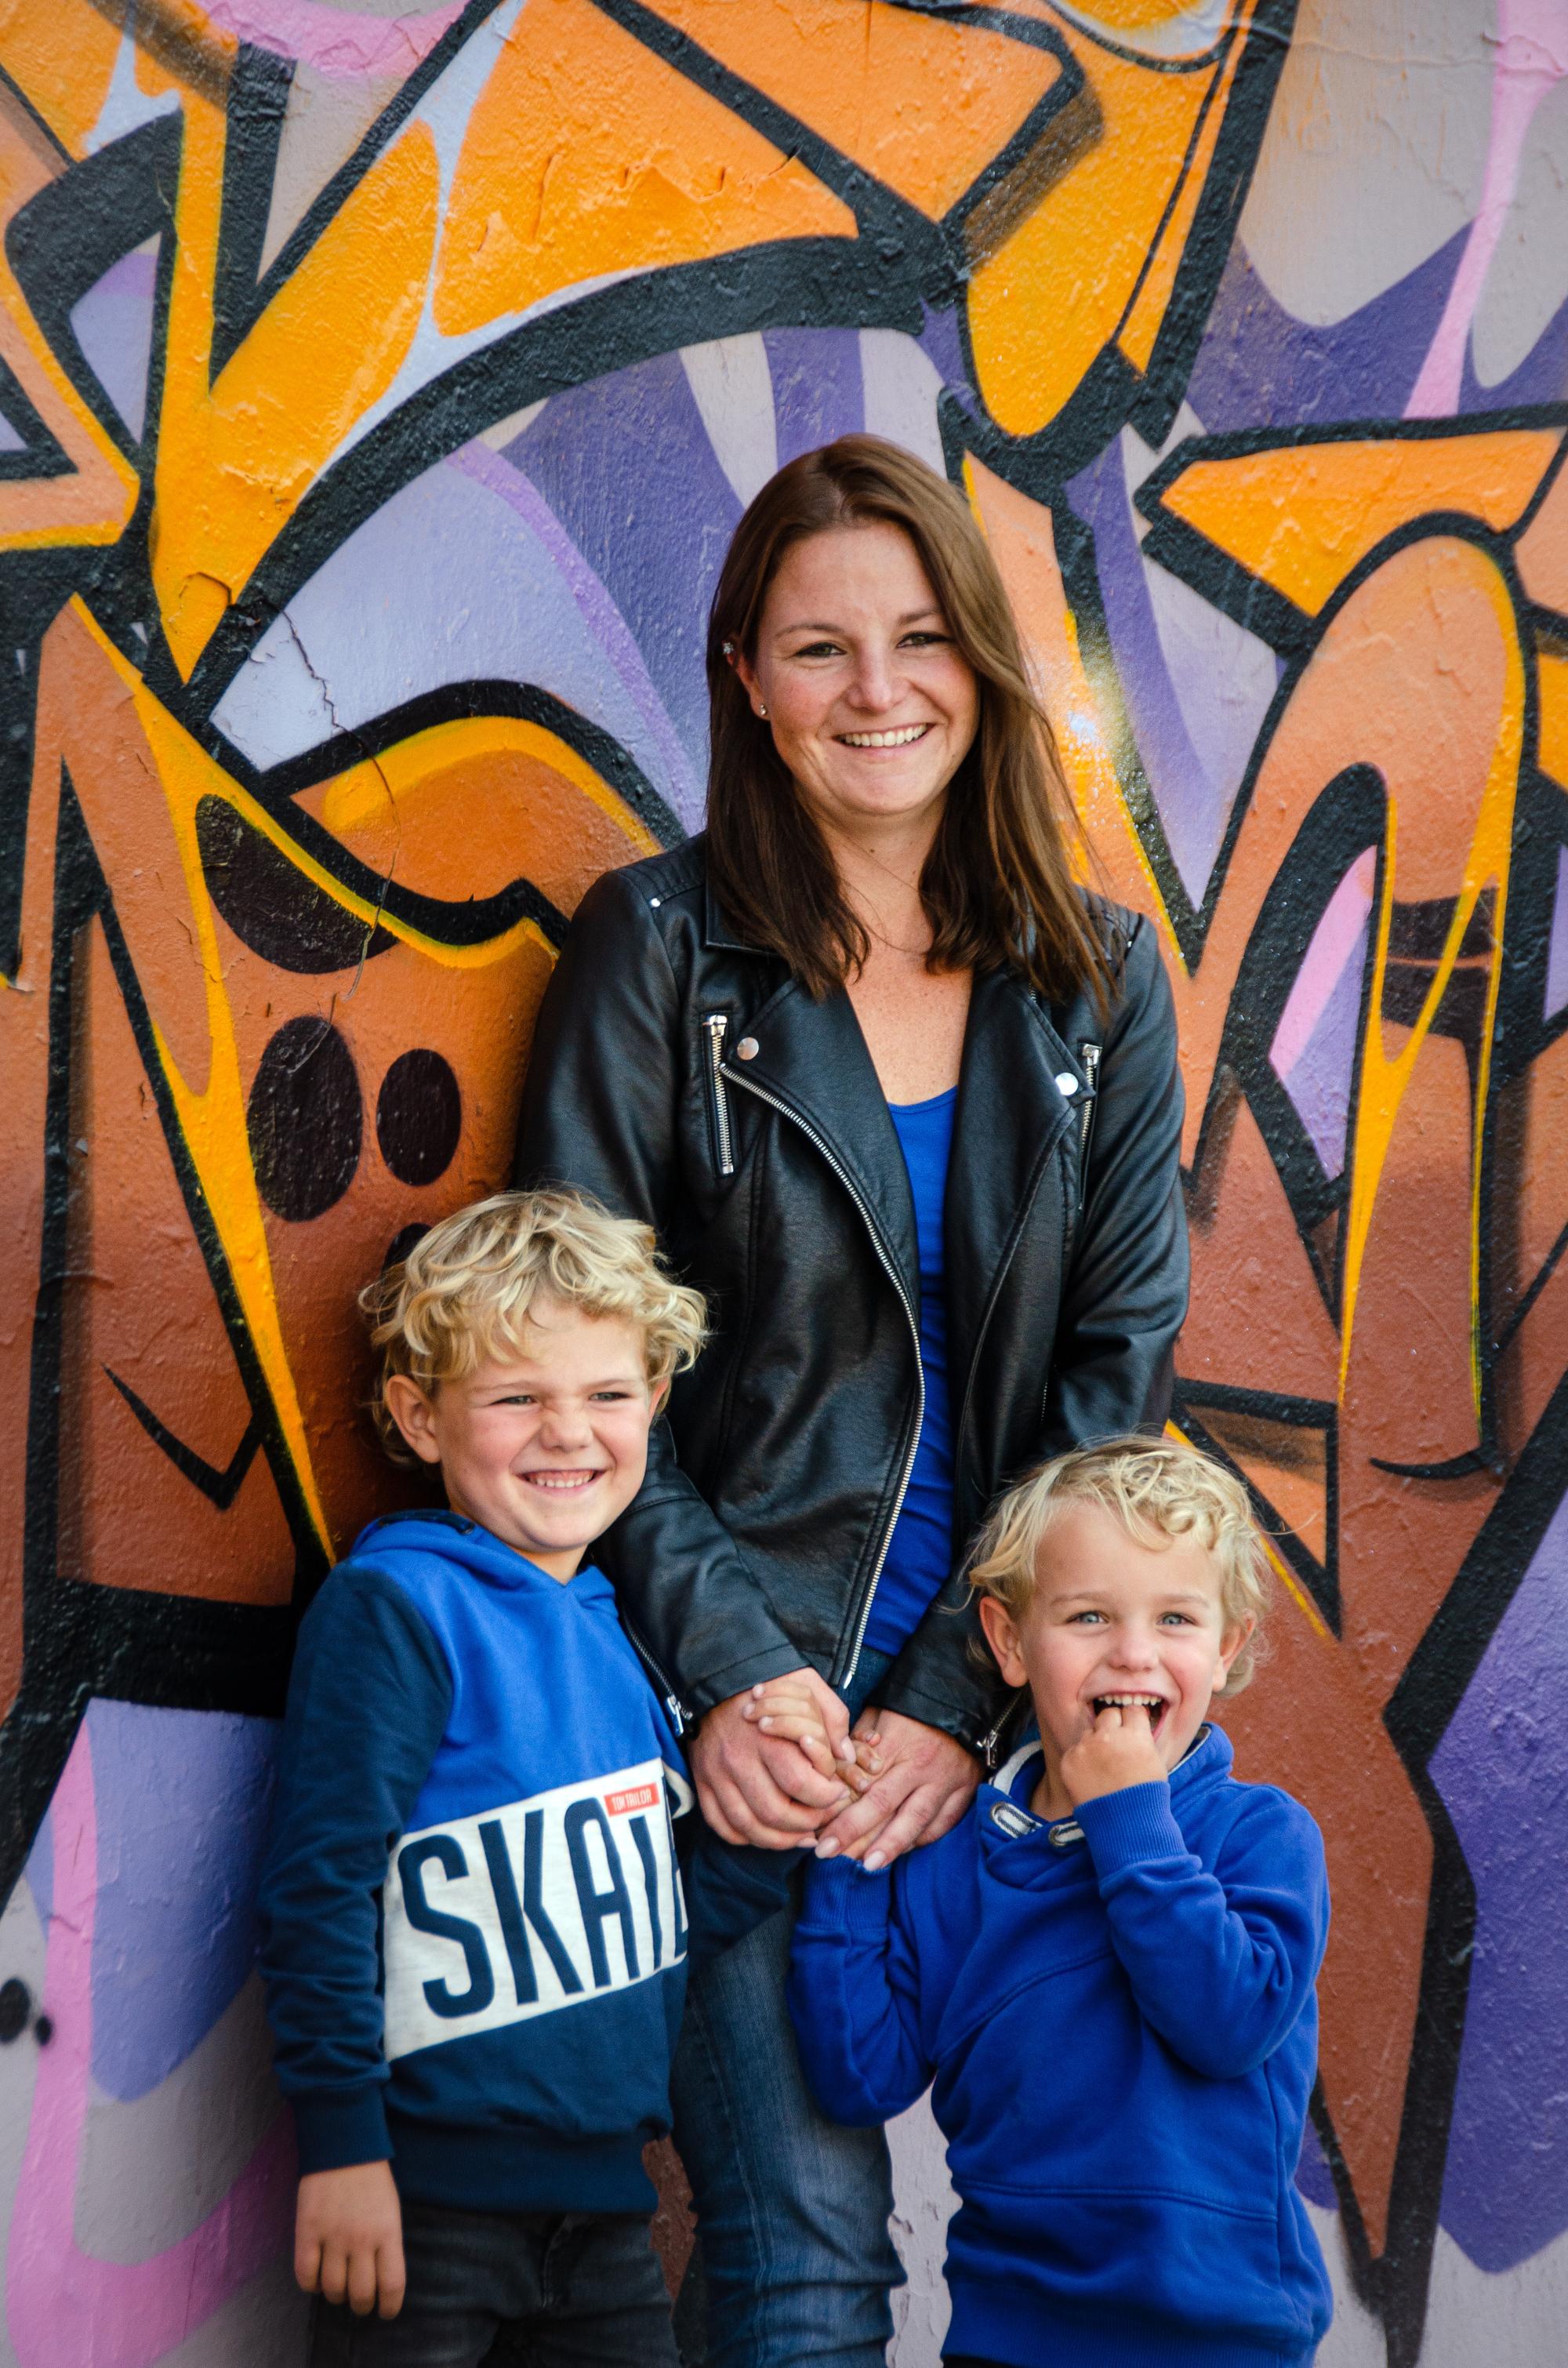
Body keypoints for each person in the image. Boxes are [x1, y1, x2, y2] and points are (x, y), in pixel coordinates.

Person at [514, 434, 1189, 2360]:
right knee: (809, 2266)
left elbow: (1110, 1379)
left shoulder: (1095, 983)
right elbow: (568, 1362)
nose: (875, 690)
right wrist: (736, 1670)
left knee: (1109, 2251)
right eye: (818, 647)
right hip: (752, 1733)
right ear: (745, 678)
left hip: (999, 1731)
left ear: (978, 660)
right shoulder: (658, 953)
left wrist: (960, 1699)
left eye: (917, 639)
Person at [256, 1189, 711, 2366]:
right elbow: (319, 1886)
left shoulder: (617, 1628)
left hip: (608, 2216)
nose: (568, 1432)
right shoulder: (398, 1606)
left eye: (607, 1395)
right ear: (421, 1416)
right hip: (423, 2206)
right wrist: (343, 2145)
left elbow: (659, 1902)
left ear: (654, 1401)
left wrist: (797, 1825)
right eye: (516, 1398)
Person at [788, 1436, 1334, 2368]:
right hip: (1009, 2332)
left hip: (1219, 2334)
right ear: (1009, 1641)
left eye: (1175, 1618)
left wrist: (1127, 1817)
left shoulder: (1259, 1834)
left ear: (1224, 1646)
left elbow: (1228, 2021)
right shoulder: (952, 1861)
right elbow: (859, 2076)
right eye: (1087, 1615)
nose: (1133, 1653)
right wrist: (851, 1848)